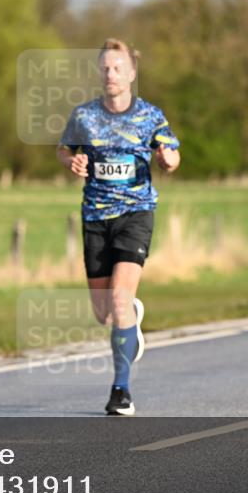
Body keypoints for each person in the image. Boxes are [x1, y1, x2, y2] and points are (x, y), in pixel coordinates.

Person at [57, 39, 180, 415]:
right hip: (95, 217)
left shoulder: (149, 116)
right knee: (104, 314)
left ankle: (120, 391)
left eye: (117, 68)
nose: (110, 74)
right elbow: (65, 149)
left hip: (135, 214)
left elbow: (172, 157)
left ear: (131, 73)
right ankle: (130, 323)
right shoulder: (85, 116)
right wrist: (71, 162)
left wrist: (164, 158)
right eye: (105, 68)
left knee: (120, 300)